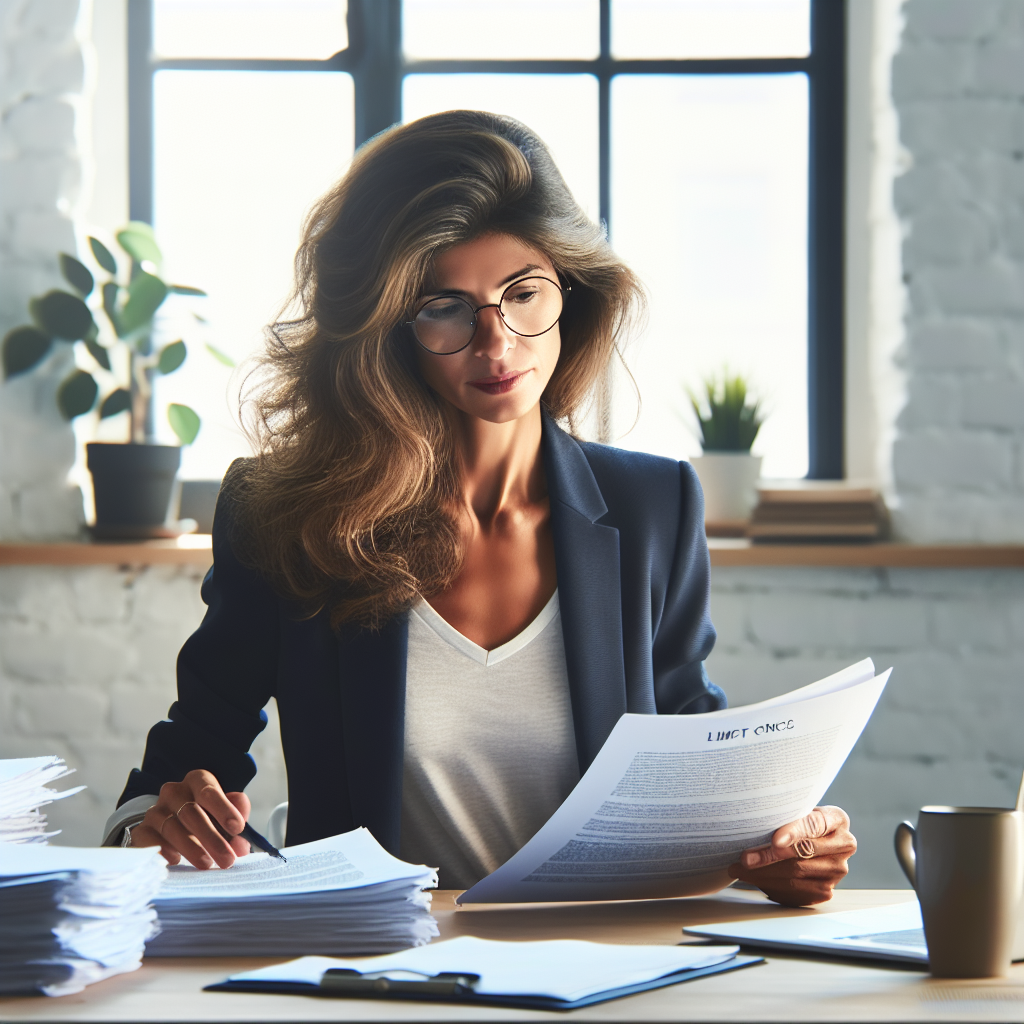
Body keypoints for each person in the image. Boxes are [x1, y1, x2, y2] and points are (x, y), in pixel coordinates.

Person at [104, 110, 856, 907]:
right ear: (387, 327)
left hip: (605, 966)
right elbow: (184, 765)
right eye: (446, 307)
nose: (496, 345)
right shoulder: (285, 513)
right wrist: (160, 827)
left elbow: (689, 757)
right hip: (378, 972)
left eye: (523, 294)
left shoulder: (653, 505)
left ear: (572, 293)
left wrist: (781, 843)